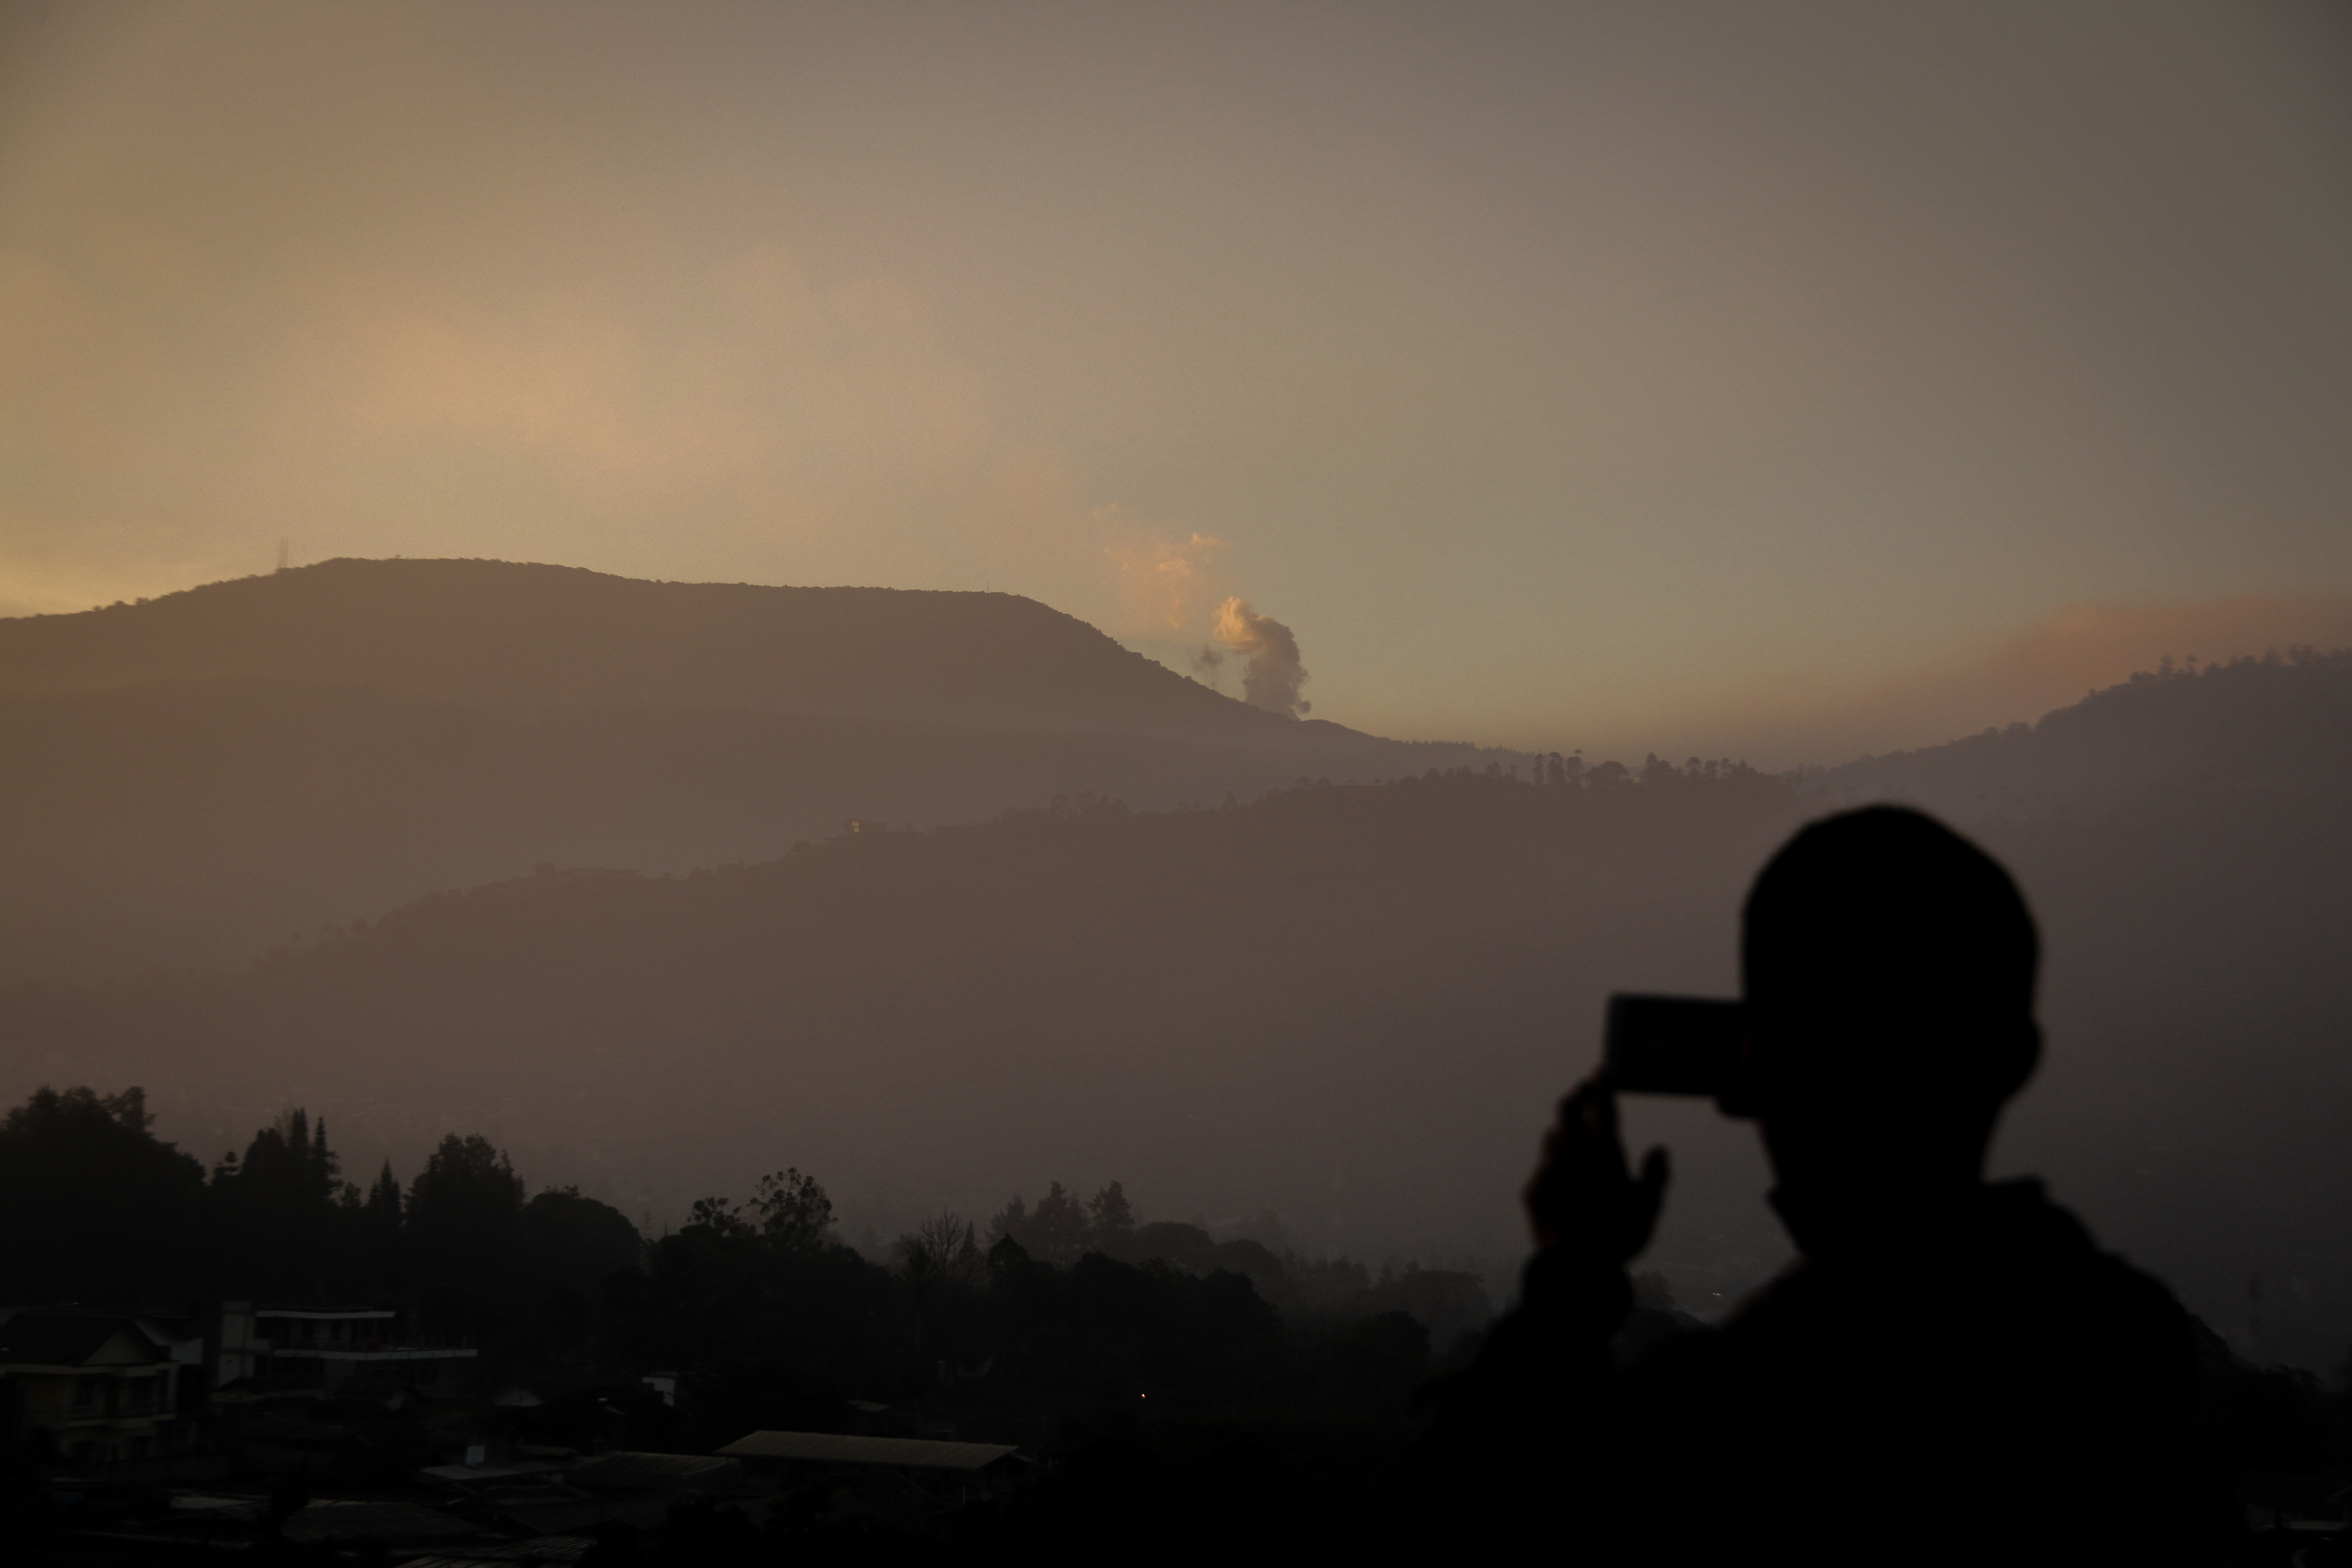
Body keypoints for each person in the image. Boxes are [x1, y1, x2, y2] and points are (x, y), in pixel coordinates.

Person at [1414, 805, 2232, 1563]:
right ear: (2017, 1059)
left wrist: (1573, 1279)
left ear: (1756, 1064)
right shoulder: (2123, 1346)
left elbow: (1481, 1521)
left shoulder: (1726, 1419)